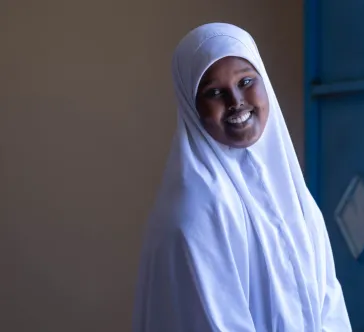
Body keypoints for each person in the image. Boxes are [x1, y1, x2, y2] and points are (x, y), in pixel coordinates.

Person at [132, 22, 352, 332]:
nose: (236, 101)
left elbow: (328, 301)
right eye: (214, 92)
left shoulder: (288, 188)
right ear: (191, 106)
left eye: (246, 81)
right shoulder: (195, 213)